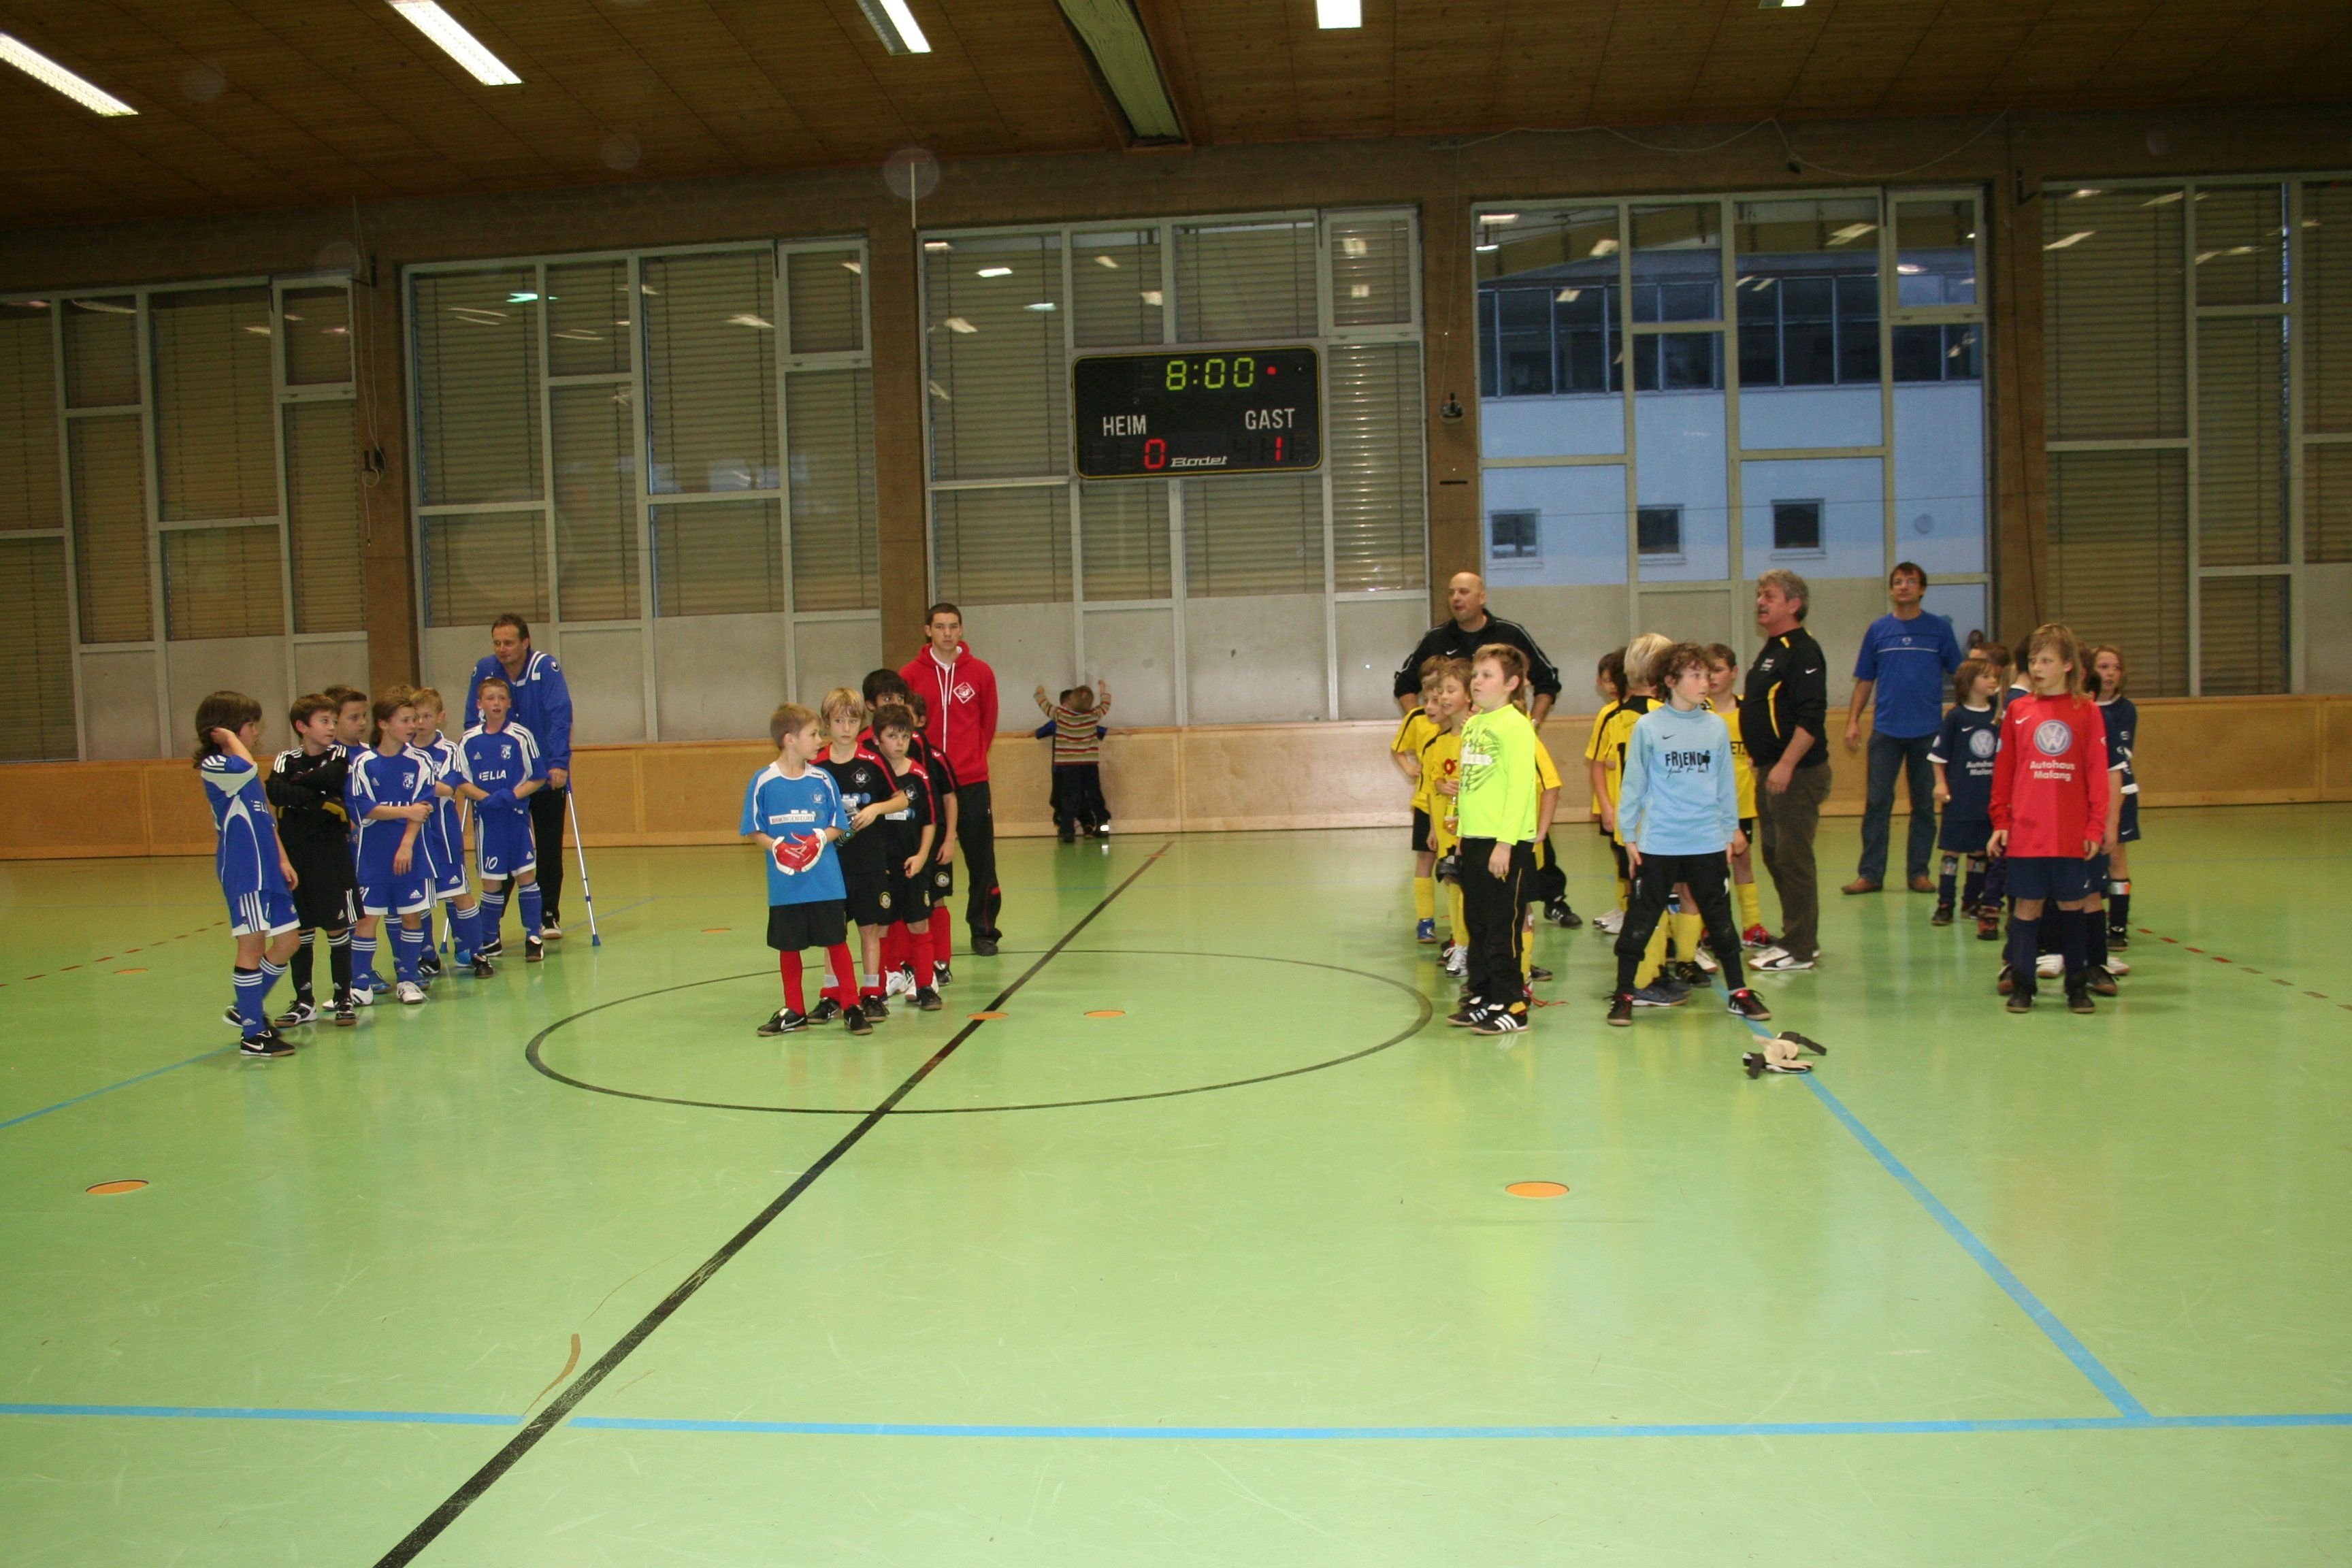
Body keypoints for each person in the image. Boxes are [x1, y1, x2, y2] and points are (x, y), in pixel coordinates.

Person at [1605, 643, 1771, 1027]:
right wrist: (1628, 837)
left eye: (1707, 675)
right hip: (1660, 841)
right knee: (1641, 920)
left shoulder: (1715, 726)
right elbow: (1633, 785)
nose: (1705, 682)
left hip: (1706, 841)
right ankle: (1625, 993)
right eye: (1695, 675)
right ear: (1671, 680)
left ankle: (1739, 991)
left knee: (1721, 919)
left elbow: (1724, 785)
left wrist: (1729, 831)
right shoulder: (1649, 727)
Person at [1988, 625, 2110, 1015]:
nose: (2037, 668)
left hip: (2071, 834)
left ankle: (2077, 987)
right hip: (2027, 833)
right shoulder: (2019, 711)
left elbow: (2097, 773)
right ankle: (2024, 987)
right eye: (2033, 661)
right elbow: (2004, 771)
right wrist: (2001, 821)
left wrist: (2095, 827)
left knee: (2073, 908)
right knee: (2027, 908)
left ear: (2068, 665)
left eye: (2046, 660)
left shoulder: (2087, 712)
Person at [742, 702, 864, 1036]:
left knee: (836, 942)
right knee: (788, 945)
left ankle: (852, 1006)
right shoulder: (763, 781)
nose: (820, 740)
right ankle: (794, 1010)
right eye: (813, 734)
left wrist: (819, 838)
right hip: (786, 883)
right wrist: (777, 847)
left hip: (825, 881)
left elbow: (839, 823)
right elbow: (753, 828)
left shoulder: (822, 779)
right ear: (790, 739)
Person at [1843, 563, 1963, 895]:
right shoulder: (1878, 630)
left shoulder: (1939, 629)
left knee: (1924, 806)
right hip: (1886, 732)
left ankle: (1918, 873)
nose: (1904, 586)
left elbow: (1961, 675)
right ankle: (1870, 874)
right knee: (1877, 804)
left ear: (1922, 589)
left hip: (1929, 733)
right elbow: (1865, 680)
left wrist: (1963, 716)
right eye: (1898, 581)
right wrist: (1852, 721)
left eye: (1911, 581)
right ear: (1891, 589)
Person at [195, 691, 302, 1058]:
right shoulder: (217, 765)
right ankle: (253, 1034)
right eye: (250, 725)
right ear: (225, 729)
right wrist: (227, 738)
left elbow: (267, 821)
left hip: (268, 866)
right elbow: (244, 768)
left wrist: (283, 860)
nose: (256, 732)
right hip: (246, 869)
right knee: (253, 945)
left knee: (288, 941)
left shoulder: (246, 770)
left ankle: (246, 1008)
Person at [1451, 644, 1544, 1036]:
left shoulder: (1516, 726)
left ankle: (1513, 1004)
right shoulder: (1474, 725)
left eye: (1487, 675)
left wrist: (1505, 843)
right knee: (1477, 921)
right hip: (1474, 838)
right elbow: (1469, 785)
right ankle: (1484, 994)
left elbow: (1521, 788)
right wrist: (1462, 835)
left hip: (1505, 842)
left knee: (1502, 925)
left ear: (1511, 683)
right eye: (1475, 675)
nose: (1477, 682)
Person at [1742, 570, 1831, 973]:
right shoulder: (1772, 649)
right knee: (1775, 854)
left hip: (1797, 774)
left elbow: (1811, 718)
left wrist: (1786, 764)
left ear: (1794, 604)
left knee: (1793, 857)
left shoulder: (1803, 651)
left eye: (1770, 596)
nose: (1761, 602)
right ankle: (1798, 934)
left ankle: (1800, 946)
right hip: (1770, 769)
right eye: (1760, 595)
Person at [463, 615, 574, 938]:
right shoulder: (485, 669)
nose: (502, 649)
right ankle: (491, 923)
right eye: (497, 643)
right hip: (501, 780)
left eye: (509, 642)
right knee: (502, 847)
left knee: (548, 846)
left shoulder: (545, 668)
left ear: (525, 642)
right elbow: (472, 719)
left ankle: (548, 915)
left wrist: (559, 762)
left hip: (543, 774)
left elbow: (560, 715)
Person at [900, 604, 1002, 956]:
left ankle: (984, 931)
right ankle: (922, 932)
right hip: (925, 784)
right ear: (928, 630)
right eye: (940, 626)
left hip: (971, 781)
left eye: (953, 626)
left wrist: (971, 759)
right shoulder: (910, 674)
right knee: (923, 857)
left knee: (981, 860)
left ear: (961, 629)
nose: (947, 633)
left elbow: (988, 722)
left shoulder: (981, 672)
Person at [266, 693, 361, 1028]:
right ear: (302, 726)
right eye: (324, 721)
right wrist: (315, 795)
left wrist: (297, 789)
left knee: (337, 927)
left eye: (334, 721)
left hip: (331, 855)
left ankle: (343, 996)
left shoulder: (339, 755)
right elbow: (275, 793)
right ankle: (304, 1001)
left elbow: (332, 780)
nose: (331, 727)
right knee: (302, 928)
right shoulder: (285, 759)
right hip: (296, 856)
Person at [815, 689, 906, 1024]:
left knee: (870, 928)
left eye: (852, 721)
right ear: (827, 723)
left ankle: (872, 992)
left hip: (867, 861)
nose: (846, 728)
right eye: (839, 721)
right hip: (831, 863)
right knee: (833, 931)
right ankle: (832, 994)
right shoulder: (817, 766)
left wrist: (876, 809)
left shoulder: (872, 760)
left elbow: (901, 799)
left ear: (862, 723)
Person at [346, 691, 438, 1006]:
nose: (414, 725)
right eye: (406, 720)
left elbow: (423, 808)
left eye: (415, 719)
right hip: (373, 856)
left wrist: (407, 844)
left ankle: (408, 980)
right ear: (384, 724)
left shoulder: (421, 761)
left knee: (411, 917)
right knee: (367, 919)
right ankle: (360, 984)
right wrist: (405, 811)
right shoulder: (364, 764)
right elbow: (364, 808)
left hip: (410, 853)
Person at [455, 674, 549, 962]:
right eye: (490, 698)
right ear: (479, 704)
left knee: (526, 875)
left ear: (509, 703)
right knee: (492, 881)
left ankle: (533, 935)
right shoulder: (469, 740)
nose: (496, 703)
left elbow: (538, 776)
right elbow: (461, 780)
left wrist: (512, 795)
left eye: (501, 698)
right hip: (487, 823)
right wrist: (485, 798)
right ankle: (490, 937)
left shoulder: (522, 736)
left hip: (516, 819)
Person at [1393, 572, 1563, 725]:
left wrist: (1533, 723)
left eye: (1463, 592)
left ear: (1482, 598)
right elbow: (1404, 685)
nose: (1456, 598)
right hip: (1451, 737)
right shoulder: (1435, 638)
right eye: (1451, 593)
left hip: (1501, 731)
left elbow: (1548, 680)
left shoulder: (1511, 634)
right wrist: (1421, 725)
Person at [408, 689, 491, 979]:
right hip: (413, 839)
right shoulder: (403, 750)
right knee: (418, 899)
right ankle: (427, 955)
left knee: (459, 893)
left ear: (440, 717)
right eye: (415, 717)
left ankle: (476, 951)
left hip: (442, 836)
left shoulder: (449, 751)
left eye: (427, 716)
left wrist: (415, 784)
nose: (420, 723)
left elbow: (447, 787)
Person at [871, 702, 945, 1012]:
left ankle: (926, 985)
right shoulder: (873, 774)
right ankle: (883, 983)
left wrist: (922, 856)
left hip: (913, 863)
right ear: (877, 739)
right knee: (881, 927)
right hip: (882, 866)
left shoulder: (919, 775)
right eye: (892, 736)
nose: (899, 743)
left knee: (918, 923)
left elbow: (930, 821)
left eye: (905, 736)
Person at [1929, 659, 2002, 938]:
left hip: (1987, 798)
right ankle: (1945, 903)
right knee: (1952, 851)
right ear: (1970, 683)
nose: (1993, 681)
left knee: (1979, 852)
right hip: (1960, 797)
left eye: (1994, 677)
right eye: (1986, 677)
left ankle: (1971, 901)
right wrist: (1940, 783)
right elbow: (1939, 756)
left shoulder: (1997, 716)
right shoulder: (1956, 717)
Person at [1703, 644, 1769, 948]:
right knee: (1709, 869)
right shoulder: (1698, 712)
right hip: (1706, 806)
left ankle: (1752, 925)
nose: (1712, 678)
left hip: (1741, 802)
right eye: (1707, 671)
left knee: (1743, 862)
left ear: (1734, 672)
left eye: (1718, 670)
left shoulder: (1748, 711)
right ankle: (1708, 925)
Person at [1418, 659, 1471, 978]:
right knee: (1453, 884)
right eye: (1441, 693)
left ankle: (1480, 945)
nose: (1443, 699)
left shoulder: (1480, 735)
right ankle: (1460, 944)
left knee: (1475, 889)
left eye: (1451, 691)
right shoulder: (1437, 743)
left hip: (1477, 828)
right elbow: (1432, 783)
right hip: (1448, 827)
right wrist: (1434, 827)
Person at [2089, 645, 2140, 950]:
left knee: (2116, 856)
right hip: (2086, 793)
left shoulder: (2124, 710)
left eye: (2115, 668)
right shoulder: (2081, 706)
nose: (2109, 674)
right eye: (2103, 667)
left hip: (2117, 790)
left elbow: (2117, 760)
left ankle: (2118, 926)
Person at [1392, 665, 1446, 943]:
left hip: (1454, 805)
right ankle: (1425, 920)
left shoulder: (1460, 723)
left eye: (1438, 696)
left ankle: (1463, 926)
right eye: (1427, 695)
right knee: (1426, 858)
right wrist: (1409, 768)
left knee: (1454, 865)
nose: (1431, 704)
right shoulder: (1417, 718)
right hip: (1427, 802)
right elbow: (1398, 749)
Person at [1582, 649, 1631, 931]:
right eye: (1605, 680)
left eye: (1615, 679)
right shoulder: (1608, 714)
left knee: (1632, 860)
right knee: (1619, 856)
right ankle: (1624, 906)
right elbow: (1598, 761)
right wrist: (1603, 805)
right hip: (1613, 800)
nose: (1611, 686)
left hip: (1633, 804)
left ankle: (1630, 909)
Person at [1034, 680, 1113, 841]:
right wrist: (1103, 690)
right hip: (1089, 764)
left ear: (1071, 701)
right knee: (1094, 794)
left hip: (1069, 765)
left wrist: (1040, 692)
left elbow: (1044, 704)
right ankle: (1103, 825)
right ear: (1090, 703)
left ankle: (1068, 831)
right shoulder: (1093, 715)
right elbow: (1106, 705)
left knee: (1069, 797)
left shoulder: (1060, 715)